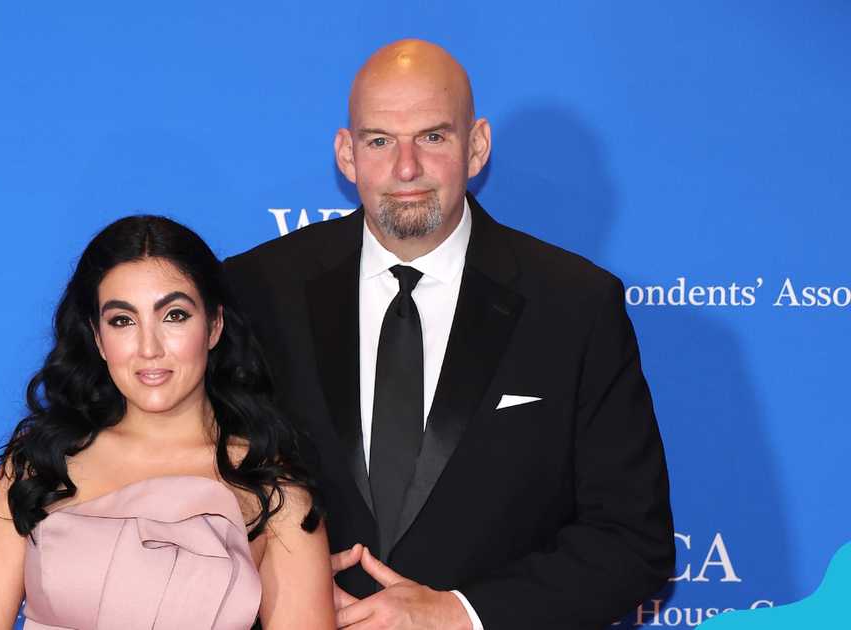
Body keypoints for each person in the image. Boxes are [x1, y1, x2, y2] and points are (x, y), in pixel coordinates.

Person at [224, 39, 674, 629]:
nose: (405, 167)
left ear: (477, 145)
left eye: (432, 137)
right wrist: (285, 593)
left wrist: (459, 615)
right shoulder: (253, 291)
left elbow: (631, 542)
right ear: (346, 153)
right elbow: (197, 490)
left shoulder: (574, 305)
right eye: (379, 140)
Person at [0, 216, 336, 629]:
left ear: (214, 326)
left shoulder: (271, 484)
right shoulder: (37, 464)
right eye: (123, 321)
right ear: (98, 338)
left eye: (173, 315)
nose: (149, 348)